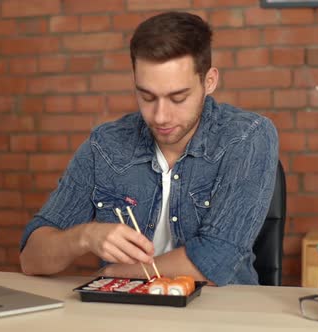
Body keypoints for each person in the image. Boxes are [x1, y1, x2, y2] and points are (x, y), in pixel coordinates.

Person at [19, 11, 279, 286]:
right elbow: (31, 259)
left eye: (178, 98)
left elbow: (216, 260)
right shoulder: (105, 146)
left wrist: (117, 272)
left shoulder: (247, 137)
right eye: (147, 96)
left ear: (209, 81)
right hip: (125, 316)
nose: (160, 116)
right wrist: (85, 236)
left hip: (219, 315)